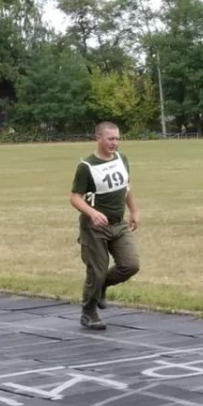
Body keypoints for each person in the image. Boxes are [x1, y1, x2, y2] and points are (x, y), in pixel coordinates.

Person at [70, 122, 140, 330]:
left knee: (130, 265)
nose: (115, 143)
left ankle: (101, 288)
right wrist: (92, 212)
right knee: (97, 271)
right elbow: (75, 198)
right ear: (98, 138)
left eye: (117, 138)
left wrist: (134, 211)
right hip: (94, 228)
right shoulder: (86, 166)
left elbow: (127, 187)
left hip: (119, 225)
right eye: (110, 139)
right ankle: (88, 311)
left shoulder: (122, 159)